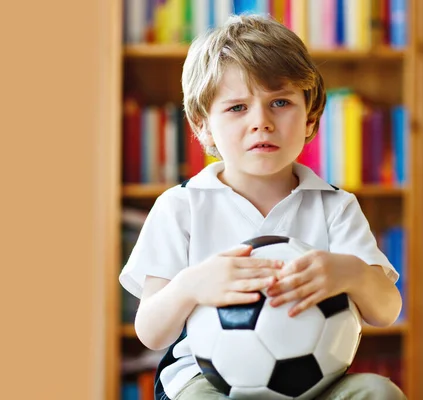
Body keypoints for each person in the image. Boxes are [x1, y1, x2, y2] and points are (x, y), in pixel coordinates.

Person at [119, 13, 406, 400]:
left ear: (310, 118)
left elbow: (385, 310)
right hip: (207, 378)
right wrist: (192, 285)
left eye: (281, 102)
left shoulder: (335, 206)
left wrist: (350, 272)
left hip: (317, 378)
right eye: (238, 107)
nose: (262, 122)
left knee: (378, 392)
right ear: (203, 125)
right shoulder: (180, 206)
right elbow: (151, 332)